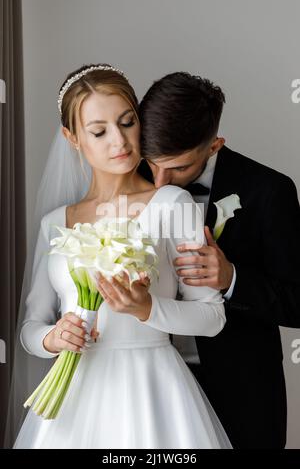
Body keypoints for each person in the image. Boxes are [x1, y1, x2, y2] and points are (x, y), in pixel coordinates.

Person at [11, 64, 232, 449]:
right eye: (99, 131)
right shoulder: (54, 223)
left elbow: (212, 318)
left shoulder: (173, 204)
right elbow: (31, 327)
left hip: (153, 391)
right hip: (73, 404)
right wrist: (52, 338)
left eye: (128, 122)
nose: (121, 141)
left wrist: (148, 308)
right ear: (72, 137)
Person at [138, 71, 300, 449]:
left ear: (214, 146)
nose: (160, 183)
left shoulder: (269, 190)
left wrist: (232, 279)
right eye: (153, 163)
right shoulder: (127, 179)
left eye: (178, 167)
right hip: (148, 385)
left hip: (241, 392)